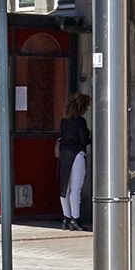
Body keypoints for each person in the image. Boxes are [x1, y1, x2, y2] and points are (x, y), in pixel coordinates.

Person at [55, 93, 92, 228]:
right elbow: (84, 140)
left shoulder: (64, 121)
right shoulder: (80, 121)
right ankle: (75, 219)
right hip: (76, 154)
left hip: (64, 154)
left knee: (65, 187)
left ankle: (66, 217)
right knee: (76, 189)